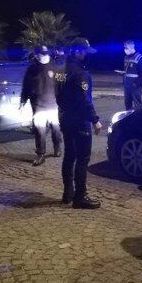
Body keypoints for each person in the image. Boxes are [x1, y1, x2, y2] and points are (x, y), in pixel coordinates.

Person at [54, 38, 102, 209]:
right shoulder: (82, 74)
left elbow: (58, 95)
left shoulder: (60, 70)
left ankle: (68, 193)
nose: (87, 55)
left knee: (69, 155)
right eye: (85, 52)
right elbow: (85, 101)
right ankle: (80, 197)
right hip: (80, 121)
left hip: (65, 118)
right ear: (78, 52)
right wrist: (95, 120)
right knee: (82, 159)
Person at [20, 45, 63, 166]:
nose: (43, 56)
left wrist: (63, 101)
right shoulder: (32, 69)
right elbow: (26, 87)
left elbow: (61, 85)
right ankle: (41, 154)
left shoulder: (55, 67)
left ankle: (57, 148)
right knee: (39, 131)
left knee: (56, 129)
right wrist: (23, 102)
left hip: (53, 105)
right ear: (36, 55)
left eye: (45, 53)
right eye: (41, 53)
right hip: (38, 106)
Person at [115, 40, 142, 110]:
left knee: (138, 105)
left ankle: (140, 116)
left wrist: (137, 84)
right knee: (127, 104)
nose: (125, 49)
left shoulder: (140, 58)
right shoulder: (126, 57)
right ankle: (129, 116)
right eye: (124, 47)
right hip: (127, 86)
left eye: (126, 48)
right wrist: (122, 73)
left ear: (131, 47)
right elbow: (128, 71)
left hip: (135, 87)